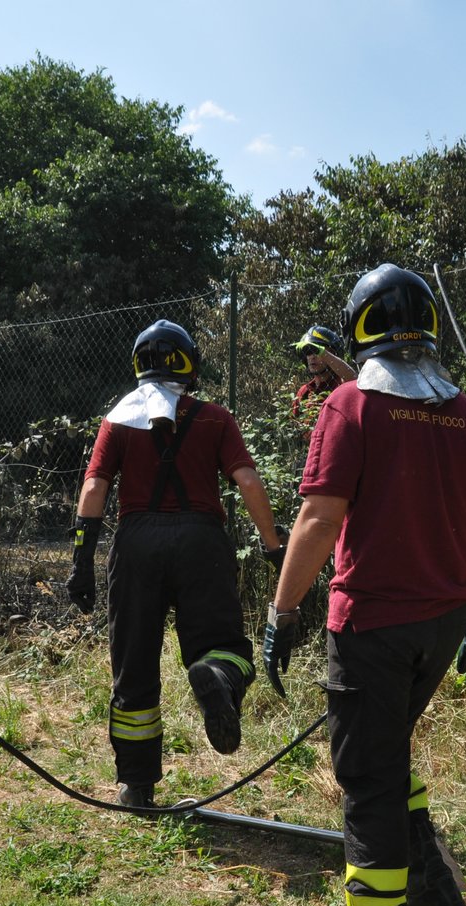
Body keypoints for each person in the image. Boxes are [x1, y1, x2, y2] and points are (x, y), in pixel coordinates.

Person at [264, 264, 466, 906]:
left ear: (360, 327)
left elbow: (317, 520)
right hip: (441, 623)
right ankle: (424, 887)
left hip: (371, 621)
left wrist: (281, 614)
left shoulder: (349, 406)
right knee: (389, 751)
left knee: (366, 780)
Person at [67, 320, 286, 809]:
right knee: (223, 646)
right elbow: (248, 482)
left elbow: (94, 488)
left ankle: (136, 785)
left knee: (134, 664)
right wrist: (273, 546)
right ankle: (218, 676)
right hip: (201, 542)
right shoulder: (215, 418)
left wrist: (82, 559)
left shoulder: (117, 420)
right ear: (189, 364)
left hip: (137, 544)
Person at [288, 324, 356, 433]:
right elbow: (293, 429)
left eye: (316, 350)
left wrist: (323, 353)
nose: (312, 356)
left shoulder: (341, 385)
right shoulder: (304, 391)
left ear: (333, 354)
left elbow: (354, 380)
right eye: (308, 352)